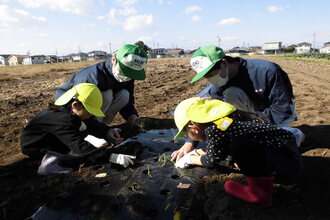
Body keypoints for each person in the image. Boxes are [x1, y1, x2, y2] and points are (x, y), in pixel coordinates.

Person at [171, 45, 304, 162]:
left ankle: (292, 133)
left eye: (212, 74)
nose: (211, 80)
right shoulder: (218, 85)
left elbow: (282, 109)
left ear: (224, 62)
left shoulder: (266, 71)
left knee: (263, 150)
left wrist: (250, 126)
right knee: (230, 96)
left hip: (276, 113)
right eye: (207, 77)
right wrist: (190, 143)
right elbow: (203, 114)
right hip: (248, 115)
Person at [172, 97, 303, 207]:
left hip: (287, 170)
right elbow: (221, 149)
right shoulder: (226, 120)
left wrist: (190, 159)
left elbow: (213, 160)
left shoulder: (213, 130)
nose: (187, 136)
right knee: (240, 145)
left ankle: (259, 194)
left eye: (185, 133)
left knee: (240, 147)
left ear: (192, 127)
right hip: (288, 155)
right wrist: (201, 151)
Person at [21, 83, 136, 175]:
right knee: (73, 147)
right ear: (75, 105)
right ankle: (48, 164)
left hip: (49, 137)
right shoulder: (62, 121)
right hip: (36, 146)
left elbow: (91, 123)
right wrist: (111, 156)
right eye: (90, 112)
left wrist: (107, 130)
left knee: (83, 129)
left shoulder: (68, 111)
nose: (91, 115)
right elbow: (80, 146)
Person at [55, 44, 148, 129]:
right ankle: (90, 129)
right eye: (125, 71)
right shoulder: (91, 78)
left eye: (131, 74)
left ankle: (100, 125)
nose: (127, 76)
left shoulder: (128, 77)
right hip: (72, 110)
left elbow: (127, 103)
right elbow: (80, 108)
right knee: (106, 94)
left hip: (93, 111)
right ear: (114, 59)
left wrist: (132, 116)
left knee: (124, 95)